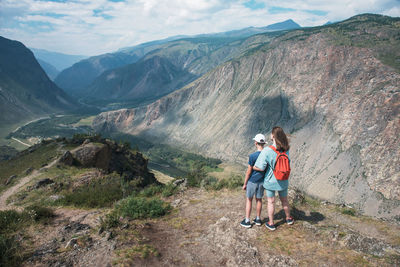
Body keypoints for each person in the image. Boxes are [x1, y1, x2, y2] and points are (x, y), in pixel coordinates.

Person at [253, 126, 294, 231]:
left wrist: (253, 167)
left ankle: (271, 223)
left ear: (273, 136)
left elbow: (260, 167)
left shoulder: (267, 150)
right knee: (284, 200)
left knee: (271, 201)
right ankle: (289, 218)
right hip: (283, 179)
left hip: (271, 180)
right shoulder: (286, 149)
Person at [240, 134, 266, 228]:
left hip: (252, 181)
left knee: (249, 200)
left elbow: (248, 171)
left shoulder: (252, 156)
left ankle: (247, 221)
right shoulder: (266, 155)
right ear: (263, 143)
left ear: (256, 143)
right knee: (259, 200)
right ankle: (258, 219)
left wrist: (245, 183)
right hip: (262, 181)